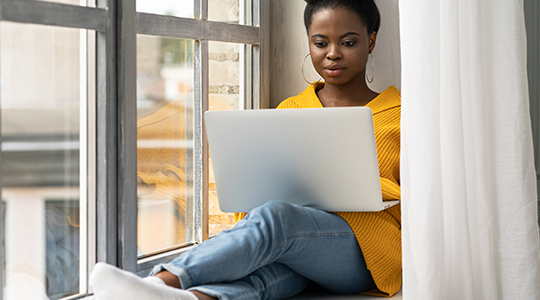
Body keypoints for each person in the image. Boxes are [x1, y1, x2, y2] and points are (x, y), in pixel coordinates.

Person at [90, 0, 401, 299]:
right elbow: (261, 193)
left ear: (370, 41)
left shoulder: (401, 113)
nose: (332, 54)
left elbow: (422, 202)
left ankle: (159, 282)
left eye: (348, 43)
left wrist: (356, 184)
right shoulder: (290, 110)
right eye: (320, 43)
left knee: (278, 218)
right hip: (297, 247)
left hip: (366, 251)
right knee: (264, 277)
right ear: (309, 43)